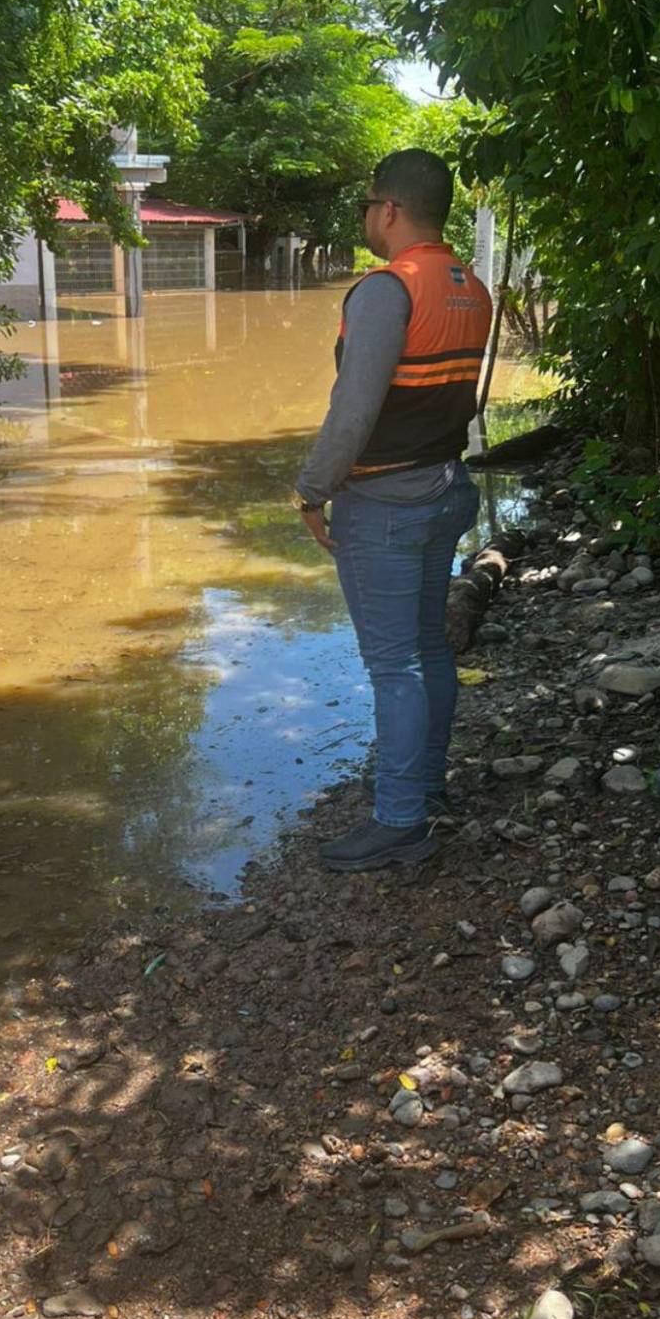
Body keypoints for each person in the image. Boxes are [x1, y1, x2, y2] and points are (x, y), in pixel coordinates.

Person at [292, 149, 492, 873]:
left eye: (366, 206)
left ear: (391, 210)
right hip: (444, 488)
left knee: (394, 664)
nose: (366, 219)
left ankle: (401, 819)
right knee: (428, 649)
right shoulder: (471, 286)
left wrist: (311, 490)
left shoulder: (386, 290)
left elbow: (352, 416)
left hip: (385, 502)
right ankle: (426, 784)